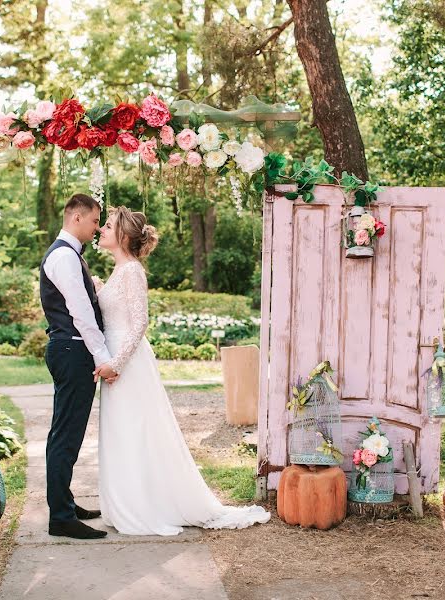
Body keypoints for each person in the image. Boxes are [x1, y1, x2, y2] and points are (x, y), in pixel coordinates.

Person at [94, 205, 271, 535]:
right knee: (123, 433)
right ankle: (128, 501)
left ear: (122, 236)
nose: (101, 229)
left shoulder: (133, 271)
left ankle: (145, 505)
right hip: (114, 361)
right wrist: (98, 288)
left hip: (127, 364)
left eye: (107, 225)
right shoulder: (119, 271)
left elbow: (139, 323)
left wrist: (115, 364)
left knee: (136, 431)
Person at [39, 193, 115, 539]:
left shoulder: (68, 255)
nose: (98, 228)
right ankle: (61, 518)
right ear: (78, 218)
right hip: (73, 350)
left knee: (66, 433)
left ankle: (65, 503)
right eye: (96, 221)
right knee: (65, 436)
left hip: (70, 349)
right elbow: (81, 314)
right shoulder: (65, 257)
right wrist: (102, 357)